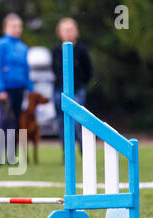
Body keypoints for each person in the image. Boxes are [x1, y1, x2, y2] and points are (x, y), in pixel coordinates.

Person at [0, 13, 33, 163]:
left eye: (19, 26)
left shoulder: (23, 47)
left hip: (19, 89)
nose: (17, 29)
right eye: (13, 26)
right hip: (5, 90)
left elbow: (26, 69)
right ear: (6, 28)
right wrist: (0, 89)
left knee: (15, 123)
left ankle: (10, 155)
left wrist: (30, 88)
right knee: (4, 121)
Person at [52, 17, 92, 158]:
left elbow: (89, 71)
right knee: (62, 123)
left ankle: (83, 150)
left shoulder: (82, 50)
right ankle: (67, 153)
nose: (68, 32)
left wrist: (80, 84)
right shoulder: (56, 50)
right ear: (60, 32)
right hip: (59, 90)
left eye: (71, 29)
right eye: (65, 30)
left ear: (76, 32)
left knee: (78, 122)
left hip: (77, 90)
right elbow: (54, 70)